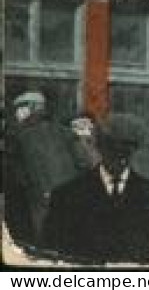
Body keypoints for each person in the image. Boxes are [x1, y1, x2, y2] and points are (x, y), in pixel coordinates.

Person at [39, 115, 149, 267]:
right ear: (99, 147)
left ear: (134, 150)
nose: (119, 156)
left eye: (126, 149)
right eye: (111, 147)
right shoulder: (65, 196)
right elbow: (50, 258)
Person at [4, 92, 85, 255]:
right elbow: (83, 162)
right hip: (69, 196)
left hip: (40, 198)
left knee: (45, 245)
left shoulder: (18, 136)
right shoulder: (65, 132)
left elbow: (17, 174)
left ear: (33, 108)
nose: (16, 113)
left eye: (21, 108)